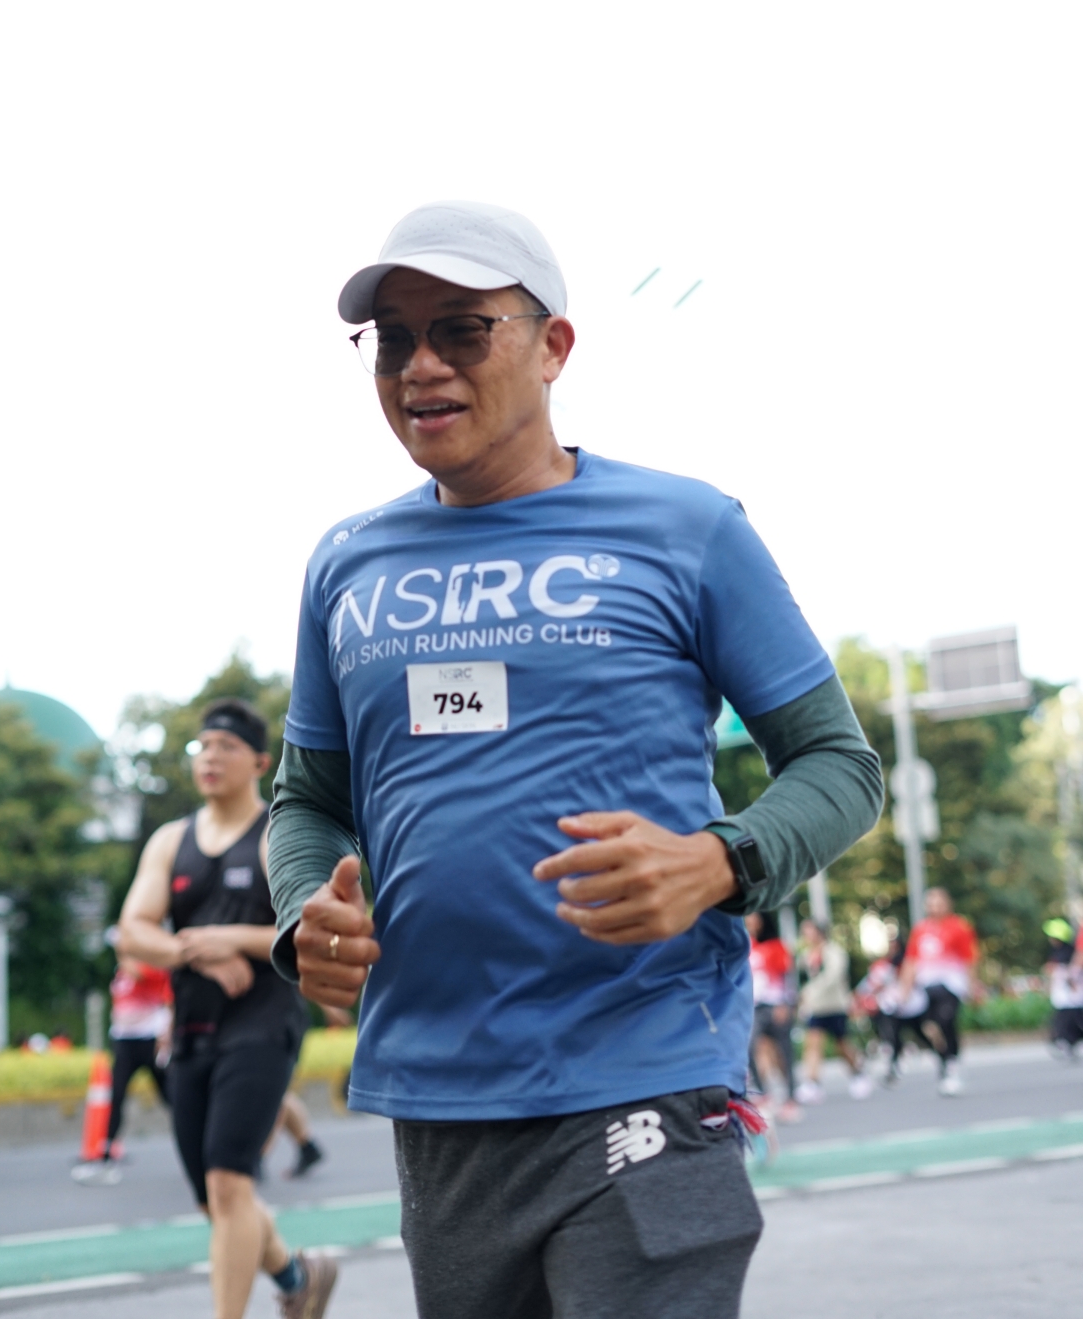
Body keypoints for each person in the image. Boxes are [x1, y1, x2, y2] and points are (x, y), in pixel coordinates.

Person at [267, 200, 884, 1319]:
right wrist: (305, 908)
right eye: (393, 340)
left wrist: (720, 860)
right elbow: (306, 803)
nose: (420, 366)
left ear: (553, 346)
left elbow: (840, 766)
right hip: (442, 1097)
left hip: (648, 1070)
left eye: (463, 331)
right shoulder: (345, 563)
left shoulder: (688, 527)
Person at [119, 698, 337, 1319]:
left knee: (228, 1181)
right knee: (212, 1200)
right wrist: (195, 952)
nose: (210, 758)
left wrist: (231, 939)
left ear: (261, 763)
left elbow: (306, 925)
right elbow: (133, 930)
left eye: (227, 747)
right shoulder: (171, 840)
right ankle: (298, 1277)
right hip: (192, 1027)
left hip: (263, 1021)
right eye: (203, 747)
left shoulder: (276, 834)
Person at [72, 937, 173, 1185]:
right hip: (124, 1042)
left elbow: (140, 975)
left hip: (148, 1040)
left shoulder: (151, 966)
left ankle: (202, 1136)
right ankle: (106, 1154)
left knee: (172, 1095)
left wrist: (125, 946)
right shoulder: (120, 973)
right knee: (116, 1096)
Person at [899, 887, 979, 1096]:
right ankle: (944, 1059)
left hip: (951, 985)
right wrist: (905, 990)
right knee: (929, 1027)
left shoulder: (959, 927)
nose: (935, 907)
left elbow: (970, 959)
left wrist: (972, 986)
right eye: (931, 903)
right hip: (927, 986)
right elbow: (911, 961)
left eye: (939, 903)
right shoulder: (921, 930)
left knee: (945, 1021)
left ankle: (952, 1063)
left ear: (948, 904)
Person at [794, 919, 872, 1101]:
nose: (806, 935)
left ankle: (858, 1074)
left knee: (842, 1045)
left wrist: (809, 991)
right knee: (813, 1044)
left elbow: (833, 976)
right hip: (816, 1008)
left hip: (835, 1006)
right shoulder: (805, 955)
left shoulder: (834, 952)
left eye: (809, 931)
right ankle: (812, 1083)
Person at [854, 936, 933, 1084]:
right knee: (893, 1036)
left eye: (894, 946)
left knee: (921, 1033)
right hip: (893, 1007)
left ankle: (944, 1057)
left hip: (912, 1006)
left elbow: (916, 980)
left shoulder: (909, 963)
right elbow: (871, 984)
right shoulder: (884, 965)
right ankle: (893, 1068)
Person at [744, 912, 800, 1121]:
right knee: (749, 1047)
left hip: (775, 1005)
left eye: (754, 918)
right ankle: (762, 1094)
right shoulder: (746, 946)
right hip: (754, 1007)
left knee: (784, 1053)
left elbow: (787, 977)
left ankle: (791, 1098)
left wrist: (786, 1003)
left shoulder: (776, 946)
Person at [1043, 918, 1083, 1059]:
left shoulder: (1067, 952)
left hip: (1070, 994)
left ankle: (1067, 1040)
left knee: (1070, 1017)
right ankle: (1064, 1040)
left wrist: (1071, 976)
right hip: (1065, 994)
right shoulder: (1058, 951)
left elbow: (1074, 966)